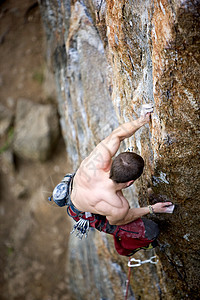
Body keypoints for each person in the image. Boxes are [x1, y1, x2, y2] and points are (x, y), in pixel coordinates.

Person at [54, 111, 173, 256]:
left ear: (115, 161)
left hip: (80, 190)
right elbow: (120, 220)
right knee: (151, 230)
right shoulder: (119, 206)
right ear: (130, 182)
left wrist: (141, 121)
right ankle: (126, 248)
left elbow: (118, 134)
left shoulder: (99, 158)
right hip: (83, 211)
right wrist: (152, 208)